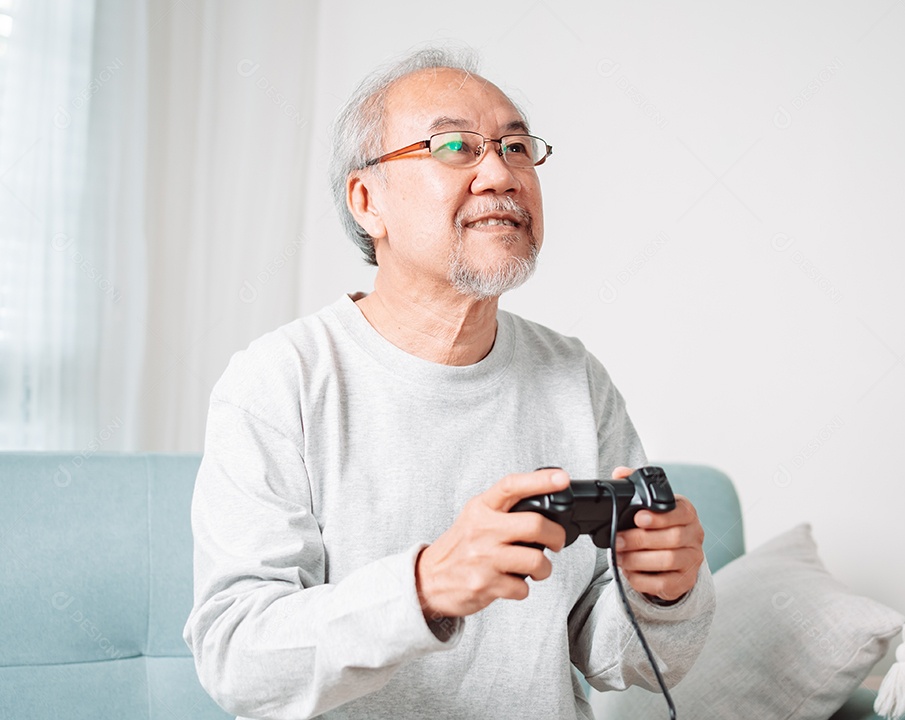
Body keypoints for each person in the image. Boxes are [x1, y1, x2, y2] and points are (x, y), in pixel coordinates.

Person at [183, 46, 715, 720]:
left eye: (517, 146)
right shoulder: (277, 382)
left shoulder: (574, 376)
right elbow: (237, 659)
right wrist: (425, 586)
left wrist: (662, 592)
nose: (500, 172)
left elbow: (615, 654)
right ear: (367, 200)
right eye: (454, 145)